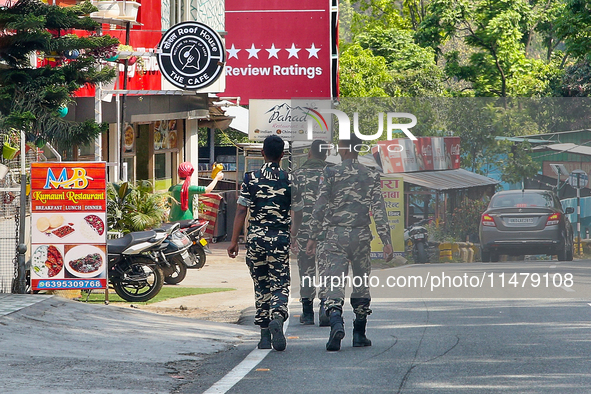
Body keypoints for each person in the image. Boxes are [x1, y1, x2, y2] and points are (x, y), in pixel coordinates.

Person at [306, 135, 393, 351]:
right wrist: (386, 241)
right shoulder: (371, 174)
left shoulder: (330, 173)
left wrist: (312, 237)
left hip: (334, 236)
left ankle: (336, 321)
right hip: (361, 236)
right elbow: (379, 210)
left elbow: (320, 207)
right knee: (361, 282)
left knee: (333, 282)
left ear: (343, 149)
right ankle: (359, 332)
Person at [227, 135, 293, 351]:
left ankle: (265, 335)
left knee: (261, 284)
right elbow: (298, 212)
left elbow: (240, 211)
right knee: (280, 283)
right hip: (280, 239)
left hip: (256, 239)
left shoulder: (251, 178)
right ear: (282, 155)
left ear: (262, 153)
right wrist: (296, 236)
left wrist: (234, 241)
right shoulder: (289, 179)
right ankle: (277, 316)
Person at [291, 139, 332, 326]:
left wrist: (292, 234)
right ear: (326, 155)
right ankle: (325, 307)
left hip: (302, 230)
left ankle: (307, 313)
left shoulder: (296, 175)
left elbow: (291, 207)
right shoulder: (333, 173)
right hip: (327, 231)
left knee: (306, 270)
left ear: (309, 153)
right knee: (326, 269)